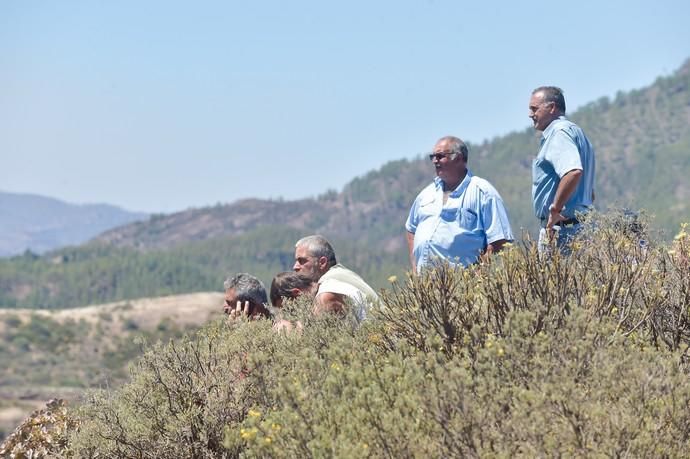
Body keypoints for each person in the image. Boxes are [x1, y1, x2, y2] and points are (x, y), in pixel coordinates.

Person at [405, 135, 513, 272]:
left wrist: (476, 275)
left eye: (440, 156)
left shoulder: (482, 192)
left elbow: (500, 240)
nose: (435, 161)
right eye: (432, 156)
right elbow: (411, 228)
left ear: (459, 158)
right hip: (425, 285)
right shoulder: (425, 194)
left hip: (462, 286)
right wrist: (415, 266)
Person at [529, 86, 595, 253]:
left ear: (551, 107)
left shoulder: (559, 133)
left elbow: (573, 172)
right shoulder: (576, 132)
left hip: (563, 232)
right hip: (579, 227)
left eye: (534, 109)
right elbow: (588, 189)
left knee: (555, 279)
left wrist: (555, 210)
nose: (530, 114)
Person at [293, 235, 379, 321]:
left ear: (322, 263)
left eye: (302, 261)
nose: (295, 267)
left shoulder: (329, 291)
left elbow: (313, 331)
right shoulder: (342, 276)